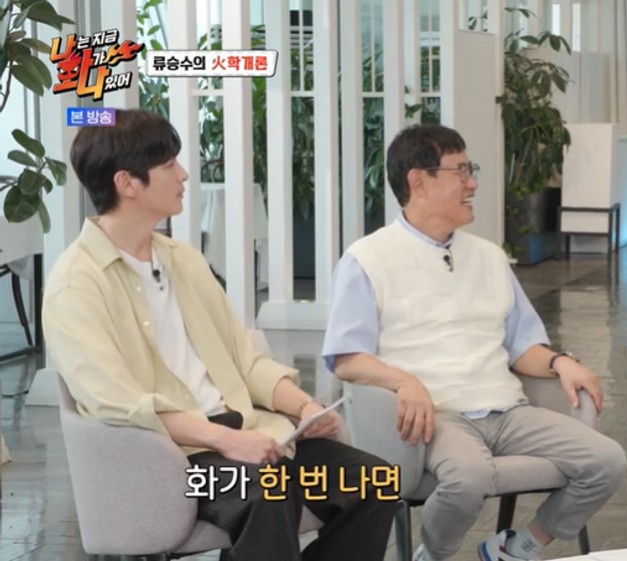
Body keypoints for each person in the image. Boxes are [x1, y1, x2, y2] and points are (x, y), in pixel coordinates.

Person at [43, 108, 394, 561]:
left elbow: (245, 361)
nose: (183, 175)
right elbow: (120, 404)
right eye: (169, 165)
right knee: (269, 494)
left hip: (249, 433)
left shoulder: (184, 260)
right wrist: (226, 441)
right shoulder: (76, 284)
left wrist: (304, 408)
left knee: (375, 482)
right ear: (127, 183)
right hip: (179, 460)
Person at [322, 123, 627, 561]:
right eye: (461, 171)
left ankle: (517, 549)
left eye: (472, 171)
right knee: (468, 476)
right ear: (418, 181)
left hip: (507, 410)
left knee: (606, 461)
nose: (473, 184)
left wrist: (560, 362)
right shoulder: (367, 259)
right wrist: (404, 381)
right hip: (436, 417)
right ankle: (434, 555)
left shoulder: (489, 256)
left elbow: (523, 346)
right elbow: (347, 358)